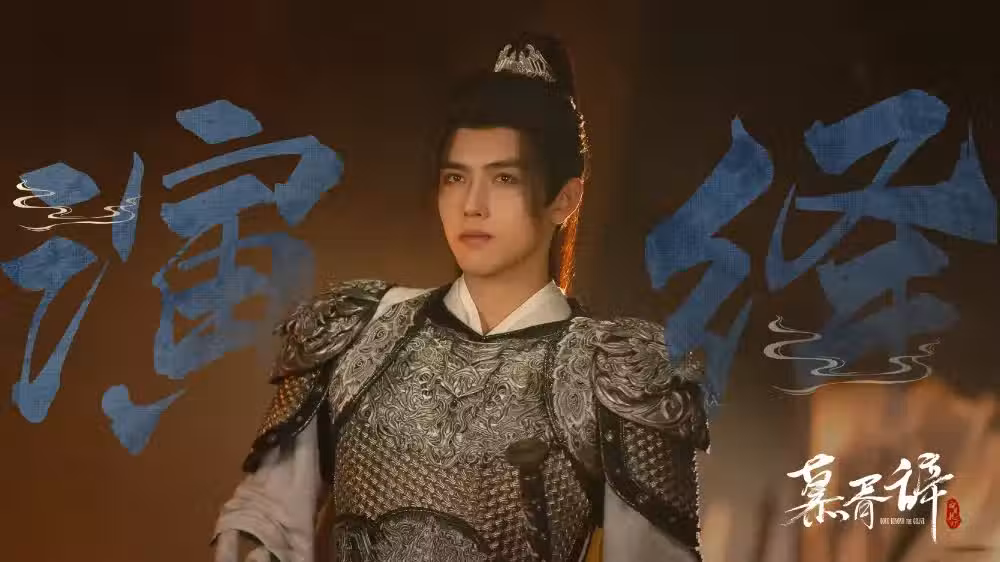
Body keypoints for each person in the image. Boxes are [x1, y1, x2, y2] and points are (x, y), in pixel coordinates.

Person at [213, 32, 710, 562]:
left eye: (504, 178)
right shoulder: (357, 332)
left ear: (564, 199)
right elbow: (264, 521)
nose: (473, 204)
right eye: (456, 177)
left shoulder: (619, 375)